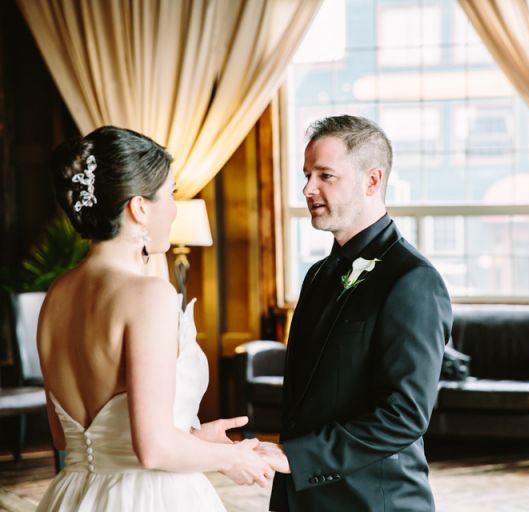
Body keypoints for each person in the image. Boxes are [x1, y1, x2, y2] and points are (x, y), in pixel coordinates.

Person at [35, 126, 288, 511]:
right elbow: (152, 449)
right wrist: (235, 458)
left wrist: (194, 437)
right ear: (138, 207)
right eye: (170, 194)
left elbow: (63, 436)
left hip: (72, 496)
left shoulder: (56, 295)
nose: (173, 208)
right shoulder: (149, 295)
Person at [269, 115, 452, 511]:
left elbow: (404, 415)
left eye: (325, 176)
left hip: (371, 501)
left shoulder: (413, 280)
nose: (308, 189)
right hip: (299, 498)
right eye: (306, 175)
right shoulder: (318, 275)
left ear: (372, 180)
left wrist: (297, 458)